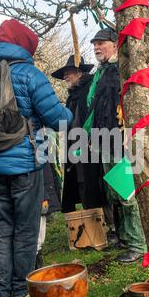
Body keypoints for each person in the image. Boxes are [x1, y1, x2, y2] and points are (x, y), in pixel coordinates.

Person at [0, 19, 73, 297]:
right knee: (25, 228)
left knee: (2, 227)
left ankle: (0, 290)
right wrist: (68, 112)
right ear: (24, 46)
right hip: (24, 163)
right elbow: (58, 120)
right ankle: (21, 288)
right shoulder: (29, 74)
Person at [84, 28, 147, 263]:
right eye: (94, 45)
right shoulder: (100, 74)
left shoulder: (123, 69)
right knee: (113, 192)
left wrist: (131, 135)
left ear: (114, 44)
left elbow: (133, 103)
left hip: (124, 140)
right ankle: (122, 237)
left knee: (127, 193)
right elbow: (96, 110)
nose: (97, 48)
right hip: (104, 141)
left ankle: (138, 243)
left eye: (101, 43)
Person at [51, 55, 106, 212]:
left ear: (80, 73)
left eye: (69, 72)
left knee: (96, 185)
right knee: (82, 184)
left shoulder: (91, 89)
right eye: (64, 74)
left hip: (92, 146)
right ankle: (91, 224)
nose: (65, 77)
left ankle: (107, 225)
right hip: (76, 148)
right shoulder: (72, 95)